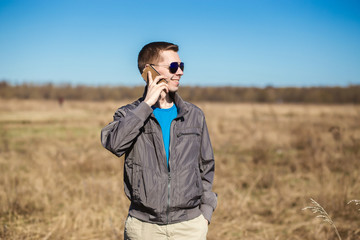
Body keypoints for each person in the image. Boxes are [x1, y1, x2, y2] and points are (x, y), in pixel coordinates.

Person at [101, 41, 217, 240]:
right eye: (173, 67)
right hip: (144, 228)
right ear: (149, 71)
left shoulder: (194, 115)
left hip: (189, 226)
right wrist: (146, 105)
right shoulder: (128, 114)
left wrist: (204, 214)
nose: (180, 72)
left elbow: (206, 166)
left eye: (182, 66)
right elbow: (114, 144)